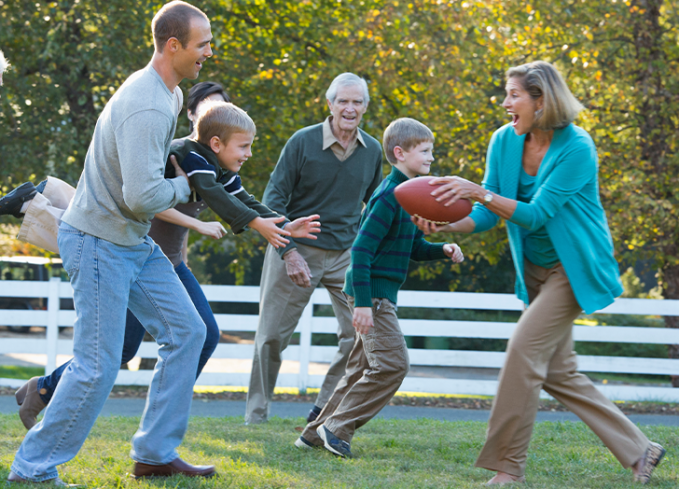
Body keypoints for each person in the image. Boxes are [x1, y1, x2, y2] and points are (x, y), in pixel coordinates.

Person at [7, 89, 320, 431]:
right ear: (208, 132)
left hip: (169, 261)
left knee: (202, 334)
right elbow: (185, 198)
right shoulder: (185, 157)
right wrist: (232, 223)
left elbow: (243, 198)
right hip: (135, 258)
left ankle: (162, 416)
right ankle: (45, 388)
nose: (248, 153)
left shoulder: (217, 162)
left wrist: (282, 225)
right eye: (244, 146)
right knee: (121, 351)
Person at [413, 61, 665, 485]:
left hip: (574, 268)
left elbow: (535, 214)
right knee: (557, 371)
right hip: (532, 268)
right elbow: (489, 214)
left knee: (523, 350)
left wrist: (478, 191)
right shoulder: (504, 141)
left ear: (541, 100)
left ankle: (508, 467)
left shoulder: (577, 148)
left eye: (514, 95)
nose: (506, 103)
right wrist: (449, 225)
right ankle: (641, 451)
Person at [7, 1, 218, 483]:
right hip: (99, 243)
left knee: (189, 331)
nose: (209, 52)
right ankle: (32, 469)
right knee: (96, 366)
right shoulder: (146, 101)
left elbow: (145, 171)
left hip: (130, 241)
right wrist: (191, 186)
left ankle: (155, 454)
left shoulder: (170, 92)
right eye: (202, 43)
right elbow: (143, 195)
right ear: (173, 45)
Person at [295, 118, 464, 457]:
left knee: (359, 368)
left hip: (373, 293)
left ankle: (313, 435)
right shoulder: (389, 196)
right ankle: (337, 428)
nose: (432, 157)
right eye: (426, 150)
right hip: (371, 294)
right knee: (392, 365)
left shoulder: (411, 198)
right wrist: (362, 304)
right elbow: (360, 249)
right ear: (400, 153)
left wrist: (442, 251)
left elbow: (413, 248)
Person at [245, 72, 384, 425]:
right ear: (330, 104)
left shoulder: (372, 151)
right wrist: (288, 251)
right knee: (271, 338)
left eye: (357, 102)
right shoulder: (302, 143)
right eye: (343, 101)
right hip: (296, 247)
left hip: (345, 256)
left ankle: (323, 410)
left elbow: (377, 206)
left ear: (365, 107)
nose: (350, 108)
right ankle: (256, 416)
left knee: (358, 335)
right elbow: (272, 199)